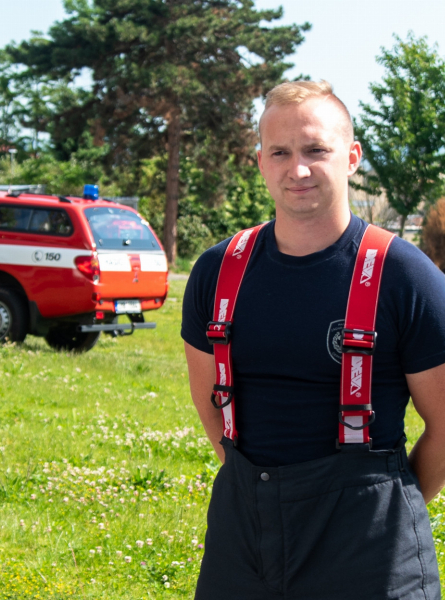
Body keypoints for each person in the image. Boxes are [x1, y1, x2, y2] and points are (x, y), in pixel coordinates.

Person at [182, 80, 445, 599]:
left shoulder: (405, 276)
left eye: (316, 150)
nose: (297, 169)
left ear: (352, 157)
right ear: (260, 161)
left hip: (369, 547)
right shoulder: (218, 271)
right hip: (242, 538)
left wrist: (386, 503)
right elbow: (208, 400)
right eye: (280, 152)